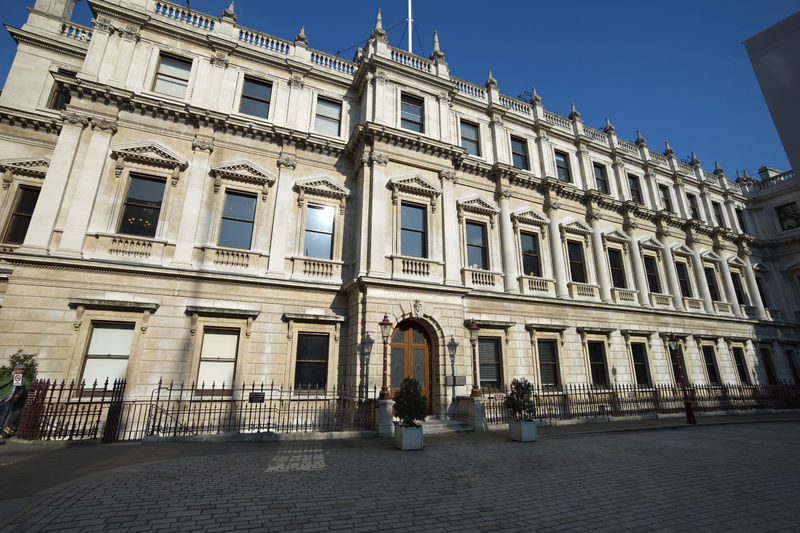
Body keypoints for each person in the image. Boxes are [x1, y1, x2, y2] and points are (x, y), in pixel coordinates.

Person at [0, 364, 30, 440]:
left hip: (8, 402)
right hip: (1, 399)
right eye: (19, 369)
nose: (20, 371)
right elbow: (1, 384)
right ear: (15, 370)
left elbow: (28, 387)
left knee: (2, 419)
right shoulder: (7, 377)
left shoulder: (23, 379)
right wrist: (11, 377)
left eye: (22, 370)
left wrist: (21, 391)